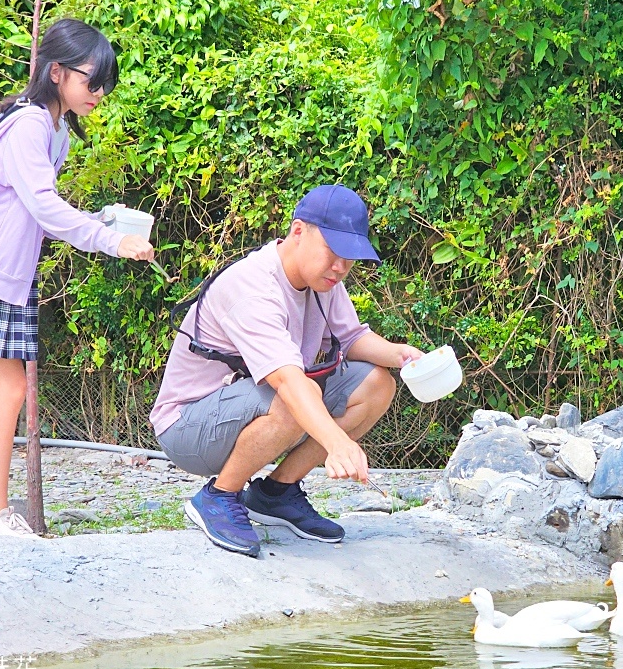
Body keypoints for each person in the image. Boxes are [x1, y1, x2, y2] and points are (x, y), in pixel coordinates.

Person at [0, 19, 154, 540]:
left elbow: (34, 207)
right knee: (9, 390)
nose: (100, 94)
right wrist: (111, 240)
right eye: (93, 81)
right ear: (57, 73)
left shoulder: (53, 126)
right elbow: (44, 207)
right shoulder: (29, 126)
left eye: (105, 84)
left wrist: (101, 225)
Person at [150, 184, 422, 558]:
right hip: (188, 427)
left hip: (262, 407)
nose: (341, 267)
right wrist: (338, 443)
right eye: (334, 252)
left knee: (378, 383)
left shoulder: (323, 279)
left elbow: (353, 337)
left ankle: (275, 494)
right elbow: (290, 383)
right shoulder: (253, 285)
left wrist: (403, 355)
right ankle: (218, 496)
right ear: (298, 231)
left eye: (350, 258)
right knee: (295, 396)